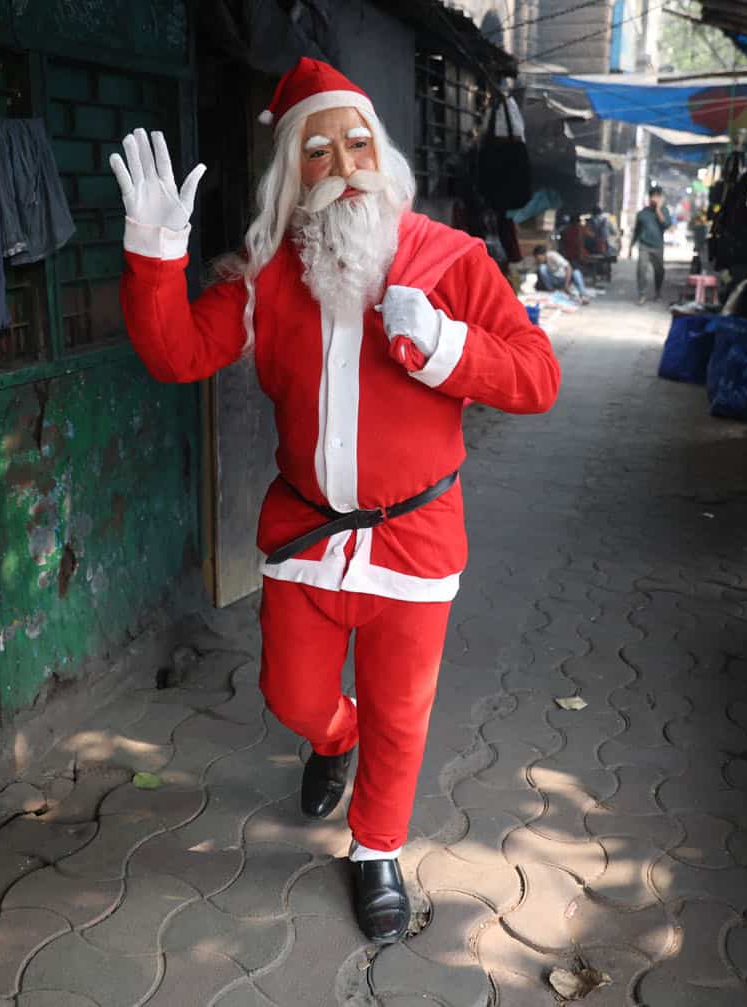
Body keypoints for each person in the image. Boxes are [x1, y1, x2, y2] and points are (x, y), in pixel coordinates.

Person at [108, 58, 560, 944]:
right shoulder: (267, 276)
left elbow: (538, 377)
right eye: (318, 151)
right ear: (294, 173)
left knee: (403, 713)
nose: (345, 164)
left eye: (358, 143)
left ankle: (376, 848)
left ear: (382, 155)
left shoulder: (454, 260)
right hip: (309, 536)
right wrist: (156, 253)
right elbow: (175, 353)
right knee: (292, 695)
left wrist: (447, 345)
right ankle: (332, 738)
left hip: (415, 540)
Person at [630, 185, 669, 304]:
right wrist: (631, 246)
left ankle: (658, 292)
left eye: (658, 196)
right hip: (644, 246)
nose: (655, 199)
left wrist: (658, 210)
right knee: (641, 269)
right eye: (653, 196)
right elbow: (637, 231)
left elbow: (666, 225)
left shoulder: (664, 211)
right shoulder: (642, 213)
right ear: (649, 197)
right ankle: (642, 294)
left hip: (658, 246)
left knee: (660, 270)